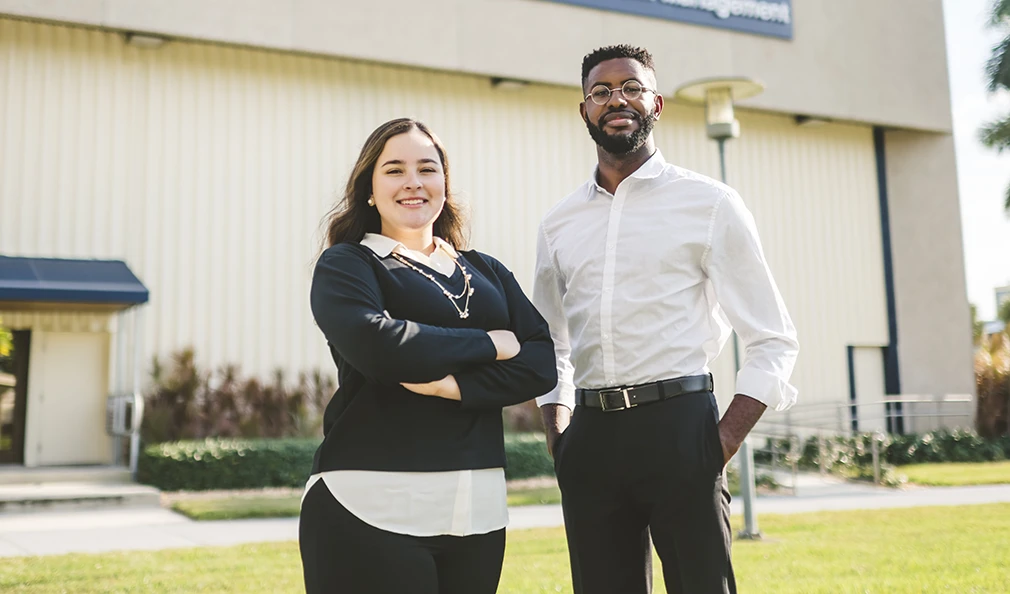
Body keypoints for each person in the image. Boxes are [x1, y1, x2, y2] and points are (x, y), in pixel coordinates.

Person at [534, 45, 800, 594]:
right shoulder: (559, 223)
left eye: (631, 87)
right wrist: (560, 433)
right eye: (602, 91)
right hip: (590, 439)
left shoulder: (710, 203)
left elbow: (773, 339)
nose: (617, 100)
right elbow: (549, 340)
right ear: (584, 110)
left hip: (681, 429)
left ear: (656, 103)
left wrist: (718, 444)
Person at [300, 117, 557, 594]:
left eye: (427, 168)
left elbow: (541, 362)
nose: (413, 182)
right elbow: (381, 348)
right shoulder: (347, 264)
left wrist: (453, 385)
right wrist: (492, 343)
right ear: (369, 190)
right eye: (394, 170)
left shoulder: (487, 270)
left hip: (476, 511)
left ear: (445, 183)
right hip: (368, 503)